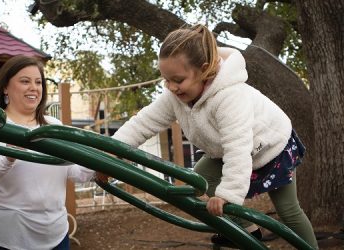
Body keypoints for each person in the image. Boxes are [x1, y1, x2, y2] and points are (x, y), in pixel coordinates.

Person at [111, 24, 318, 249]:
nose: (171, 87)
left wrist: (227, 195)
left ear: (204, 69)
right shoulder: (174, 96)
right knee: (199, 179)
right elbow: (143, 123)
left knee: (288, 209)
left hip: (271, 147)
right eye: (166, 79)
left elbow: (238, 146)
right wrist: (111, 152)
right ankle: (249, 231)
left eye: (178, 80)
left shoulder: (228, 97)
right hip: (225, 150)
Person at [0, 55, 95, 250]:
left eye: (38, 82)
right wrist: (7, 157)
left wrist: (98, 171)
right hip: (1, 239)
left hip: (55, 238)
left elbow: (74, 170)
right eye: (25, 81)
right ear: (5, 87)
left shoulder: (54, 127)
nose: (34, 87)